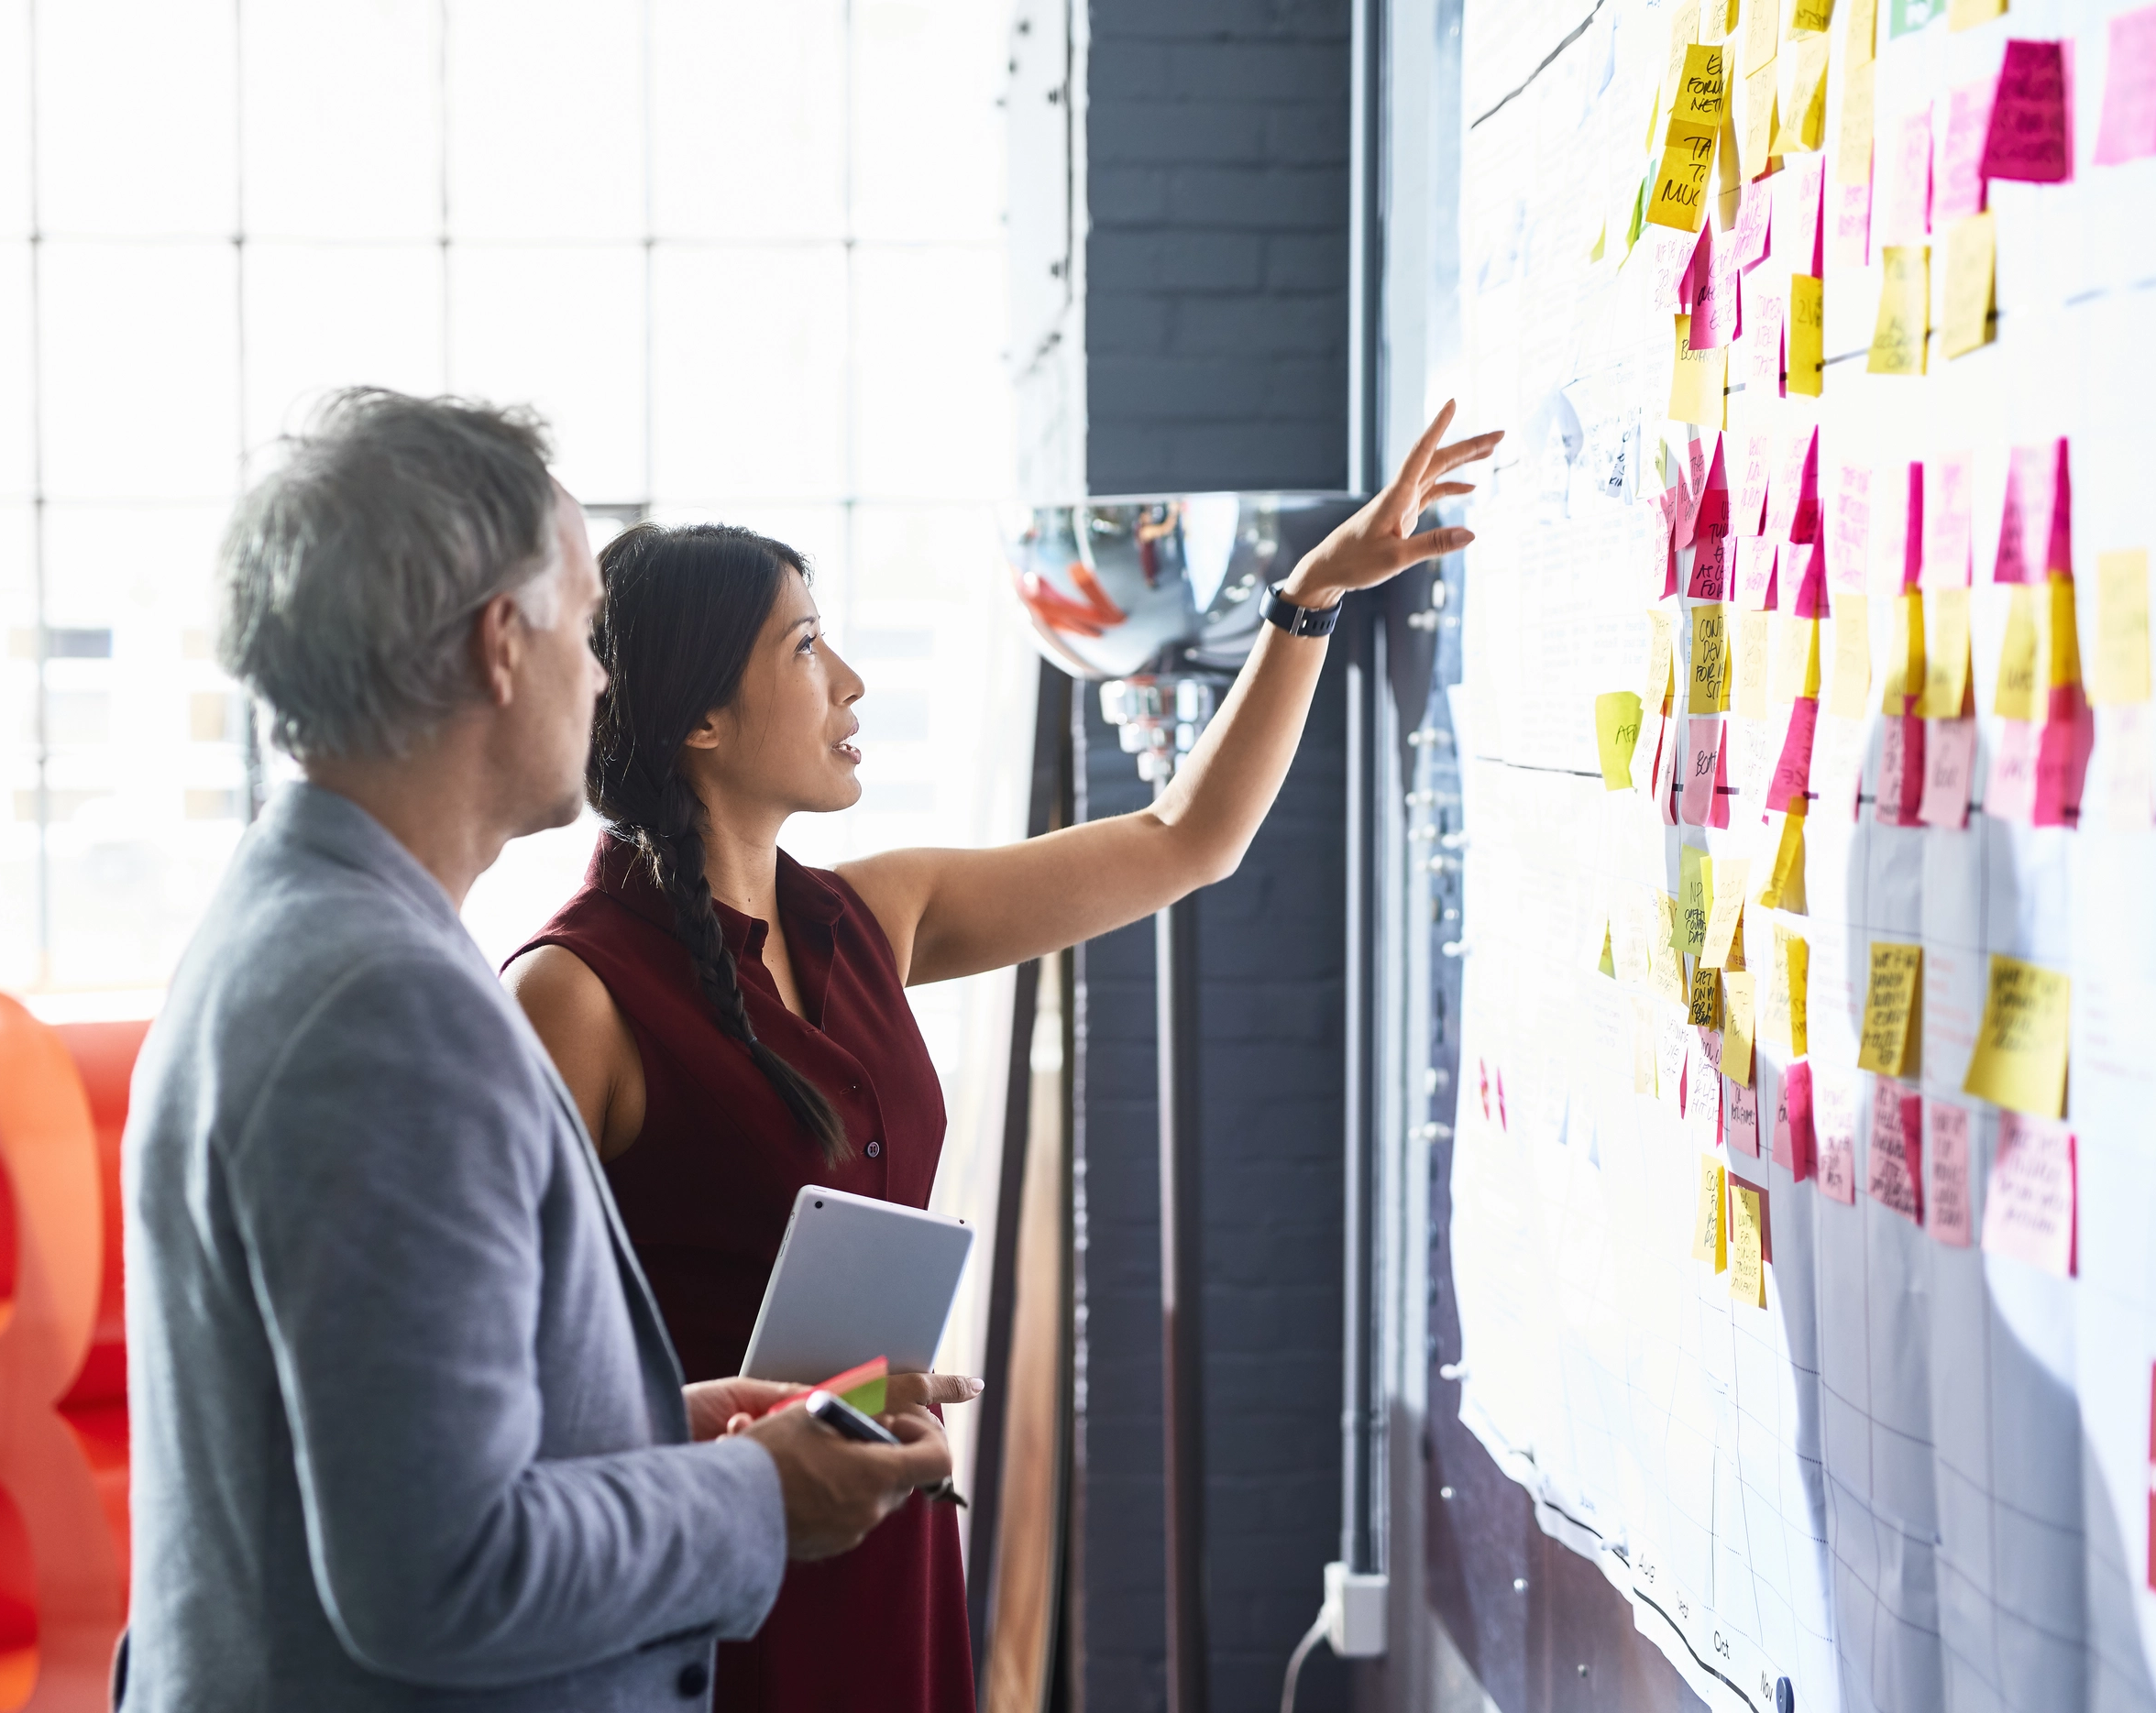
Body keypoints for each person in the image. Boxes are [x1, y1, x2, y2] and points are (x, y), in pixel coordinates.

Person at [505, 402, 1501, 1712]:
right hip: (721, 1550)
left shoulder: (870, 914)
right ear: (700, 722)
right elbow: (504, 1371)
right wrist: (710, 1434)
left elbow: (1184, 840)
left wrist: (1308, 599)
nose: (850, 682)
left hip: (892, 1520)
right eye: (807, 648)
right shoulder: (571, 995)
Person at [120, 390, 952, 1713]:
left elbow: (389, 1456)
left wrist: (658, 1433)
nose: (609, 677)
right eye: (587, 628)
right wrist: (757, 1497)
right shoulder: (381, 1016)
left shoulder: (317, 922)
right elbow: (434, 1576)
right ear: (503, 645)